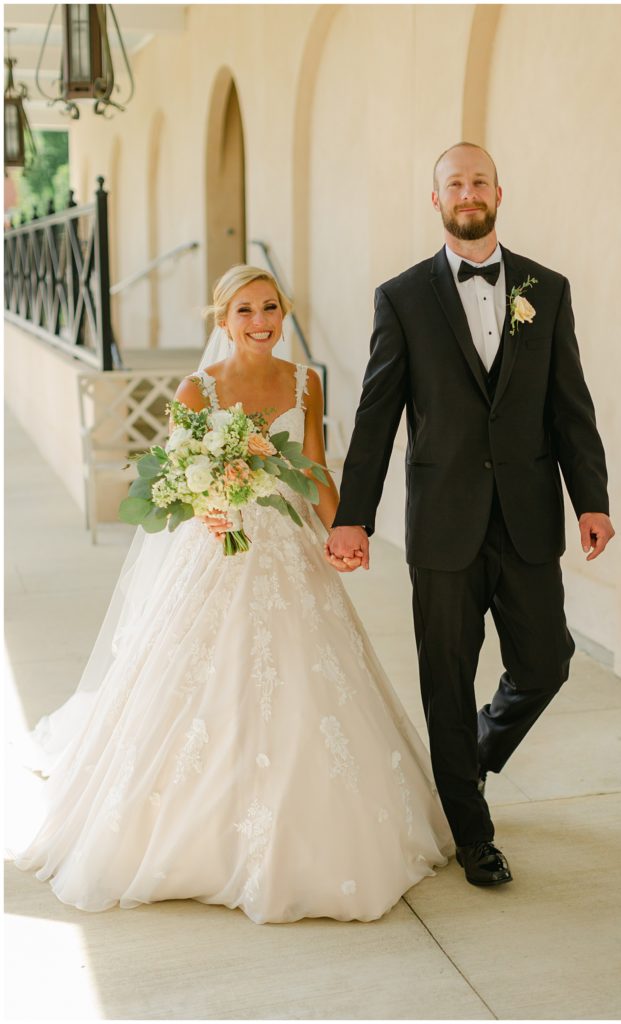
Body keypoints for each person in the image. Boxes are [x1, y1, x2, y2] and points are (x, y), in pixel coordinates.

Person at [11, 265, 454, 924]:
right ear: (223, 322)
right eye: (244, 310)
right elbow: (178, 478)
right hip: (217, 548)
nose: (258, 321)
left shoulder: (306, 381)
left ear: (283, 313)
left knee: (309, 674)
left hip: (287, 544)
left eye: (269, 308)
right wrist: (206, 507)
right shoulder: (198, 389)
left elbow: (312, 470)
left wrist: (344, 532)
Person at [326, 142, 615, 887]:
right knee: (444, 679)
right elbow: (377, 412)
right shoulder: (402, 296)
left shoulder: (545, 290)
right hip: (442, 522)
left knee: (546, 660)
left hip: (525, 517)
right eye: (452, 183)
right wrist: (351, 516)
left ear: (497, 191)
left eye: (477, 180)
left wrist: (591, 500)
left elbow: (568, 405)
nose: (466, 192)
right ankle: (470, 832)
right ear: (435, 200)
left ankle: (475, 752)